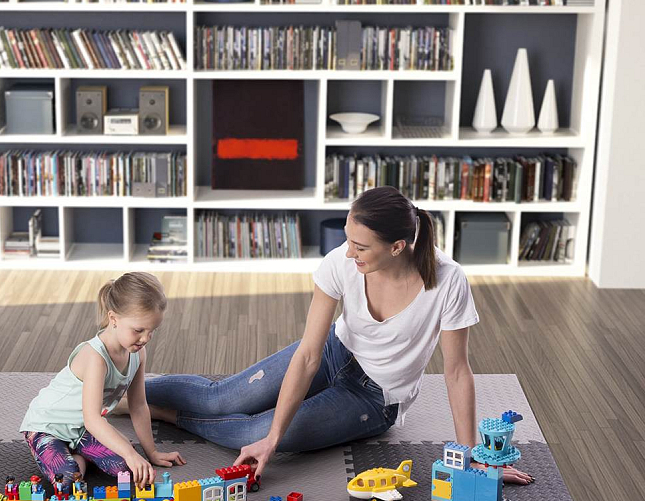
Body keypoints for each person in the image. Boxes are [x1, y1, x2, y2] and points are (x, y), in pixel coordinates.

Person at [136, 187, 533, 485]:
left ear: (397, 247)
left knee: (256, 432)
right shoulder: (342, 263)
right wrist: (276, 432)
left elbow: (457, 372)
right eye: (348, 239)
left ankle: (164, 414)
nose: (348, 253)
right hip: (333, 352)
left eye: (360, 246)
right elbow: (309, 354)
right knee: (221, 398)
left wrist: (473, 457)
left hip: (374, 397)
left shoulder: (448, 281)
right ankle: (122, 391)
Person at [20, 272, 186, 490]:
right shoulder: (95, 357)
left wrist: (151, 452)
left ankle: (80, 452)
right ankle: (76, 458)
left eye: (151, 331)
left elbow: (138, 406)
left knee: (129, 471)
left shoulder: (138, 353)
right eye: (138, 330)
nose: (145, 338)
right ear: (113, 318)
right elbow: (93, 419)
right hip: (49, 426)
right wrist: (129, 452)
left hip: (83, 429)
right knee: (68, 481)